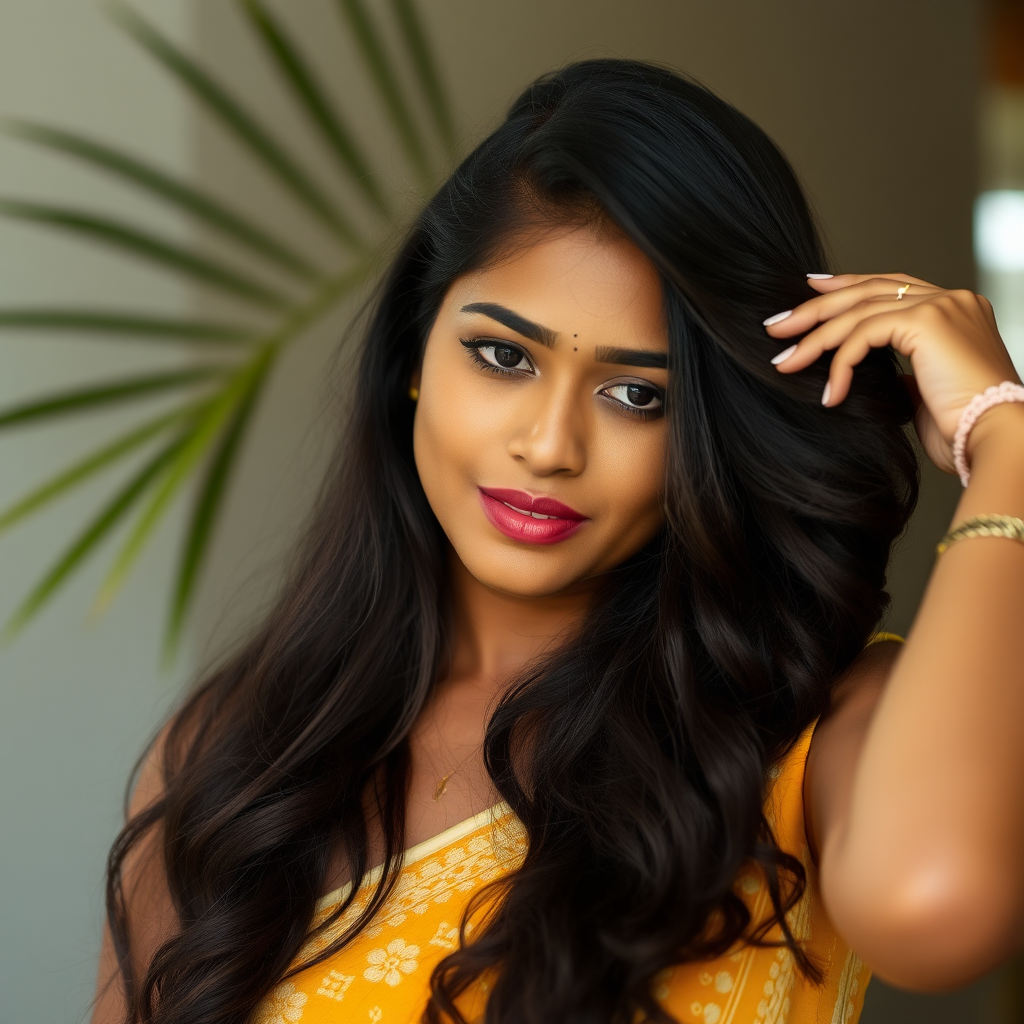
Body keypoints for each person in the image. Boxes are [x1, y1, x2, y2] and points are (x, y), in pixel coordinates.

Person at [91, 59, 1024, 1024]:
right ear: (414, 355)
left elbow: (940, 910)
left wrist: (1006, 438)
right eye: (502, 356)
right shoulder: (243, 753)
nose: (548, 446)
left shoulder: (813, 731)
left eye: (638, 396)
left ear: (711, 432)